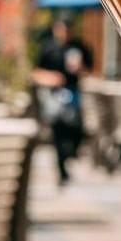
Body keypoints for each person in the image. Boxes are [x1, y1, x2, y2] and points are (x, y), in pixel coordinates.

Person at [32, 15, 94, 184]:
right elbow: (35, 73)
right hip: (53, 96)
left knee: (76, 128)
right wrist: (52, 78)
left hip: (73, 94)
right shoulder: (48, 48)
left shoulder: (79, 47)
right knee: (58, 130)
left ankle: (70, 155)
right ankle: (61, 169)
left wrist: (80, 69)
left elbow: (90, 71)